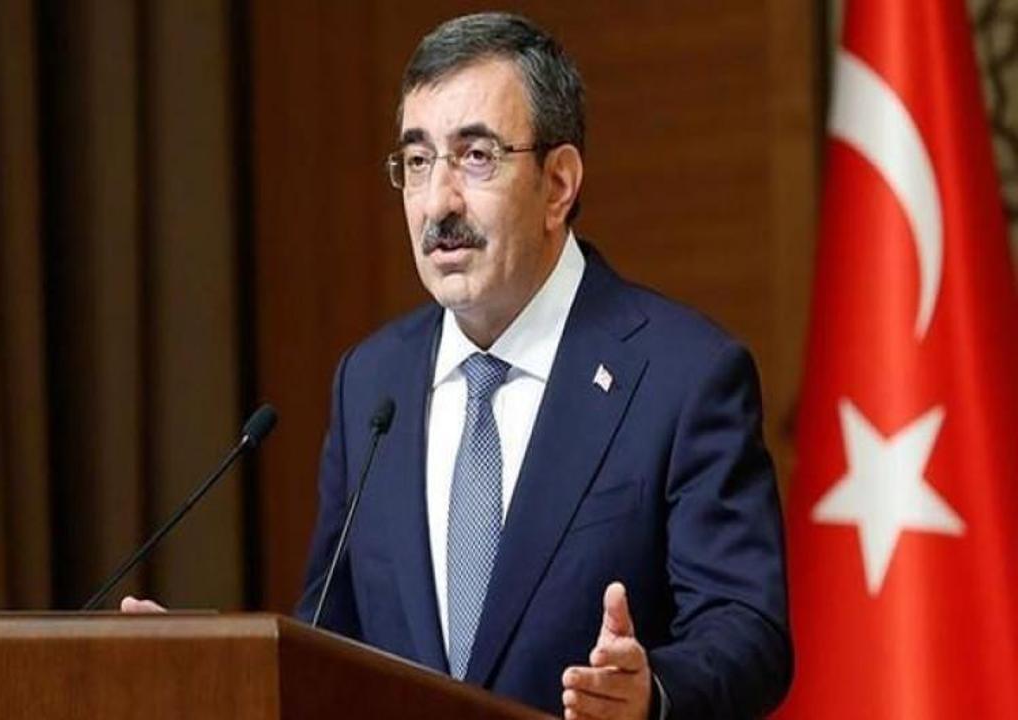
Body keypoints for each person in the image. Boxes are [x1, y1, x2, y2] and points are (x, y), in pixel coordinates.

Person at [127, 12, 791, 719]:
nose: (438, 203)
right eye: (417, 162)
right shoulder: (371, 384)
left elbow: (748, 632)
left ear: (558, 184)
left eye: (476, 157)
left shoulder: (683, 375)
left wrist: (650, 692)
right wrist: (218, 671)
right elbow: (330, 643)